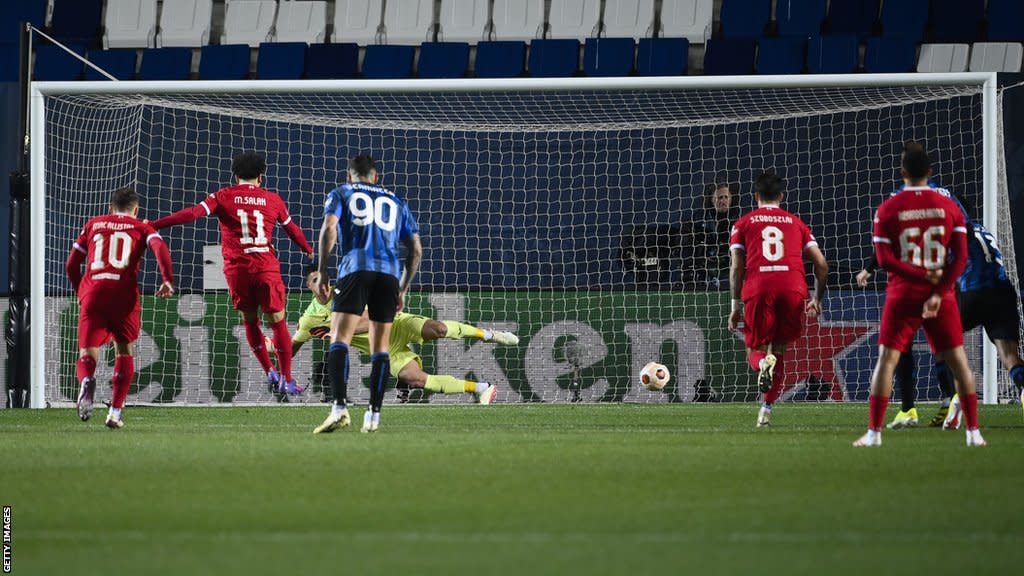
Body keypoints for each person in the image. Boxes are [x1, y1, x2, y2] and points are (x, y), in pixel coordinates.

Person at [854, 141, 984, 447]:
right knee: (959, 362)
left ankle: (874, 433)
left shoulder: (888, 207)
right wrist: (938, 288)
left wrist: (917, 274)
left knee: (887, 360)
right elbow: (961, 258)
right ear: (930, 171)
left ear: (902, 173)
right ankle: (974, 433)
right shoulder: (949, 206)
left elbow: (884, 260)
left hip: (902, 293)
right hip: (942, 295)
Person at [150, 151, 313, 395]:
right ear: (261, 177)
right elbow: (293, 230)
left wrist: (155, 224)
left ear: (236, 176)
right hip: (266, 268)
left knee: (250, 321)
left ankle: (269, 370)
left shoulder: (223, 196)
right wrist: (307, 249)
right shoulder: (273, 199)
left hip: (237, 270)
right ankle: (286, 379)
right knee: (278, 324)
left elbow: (192, 213)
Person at [286, 266, 519, 403]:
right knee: (417, 379)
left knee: (439, 329)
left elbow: (371, 321)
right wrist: (271, 353)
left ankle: (489, 335)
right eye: (315, 281)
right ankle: (482, 388)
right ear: (309, 286)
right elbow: (290, 348)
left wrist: (341, 330)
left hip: (396, 324)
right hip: (386, 349)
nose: (322, 285)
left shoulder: (347, 292)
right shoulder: (310, 319)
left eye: (324, 280)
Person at [313, 154, 422, 434]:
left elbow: (329, 228)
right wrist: (403, 286)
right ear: (377, 177)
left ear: (350, 176)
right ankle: (373, 416)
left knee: (339, 339)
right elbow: (416, 250)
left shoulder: (342, 192)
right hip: (388, 274)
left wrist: (323, 271)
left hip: (355, 268)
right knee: (381, 347)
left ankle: (339, 408)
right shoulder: (396, 201)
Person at [65, 187, 175, 429]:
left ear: (110, 208)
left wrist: (80, 292)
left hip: (93, 293)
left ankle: (87, 381)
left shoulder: (94, 224)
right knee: (124, 350)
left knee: (87, 352)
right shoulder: (142, 228)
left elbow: (72, 264)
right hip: (123, 296)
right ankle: (114, 413)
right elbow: (159, 248)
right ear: (136, 210)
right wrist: (167, 279)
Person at [727, 171, 829, 427]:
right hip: (793, 287)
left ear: (755, 196)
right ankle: (766, 410)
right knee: (779, 350)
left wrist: (735, 305)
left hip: (760, 286)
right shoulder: (796, 223)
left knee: (756, 350)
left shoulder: (743, 223)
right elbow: (822, 265)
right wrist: (816, 298)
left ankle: (762, 364)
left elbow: (737, 268)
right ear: (781, 196)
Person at [698, 179, 741, 289]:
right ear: (712, 200)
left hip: (732, 266)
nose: (723, 201)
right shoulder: (699, 219)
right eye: (719, 197)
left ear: (731, 199)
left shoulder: (739, 220)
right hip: (708, 266)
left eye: (726, 197)